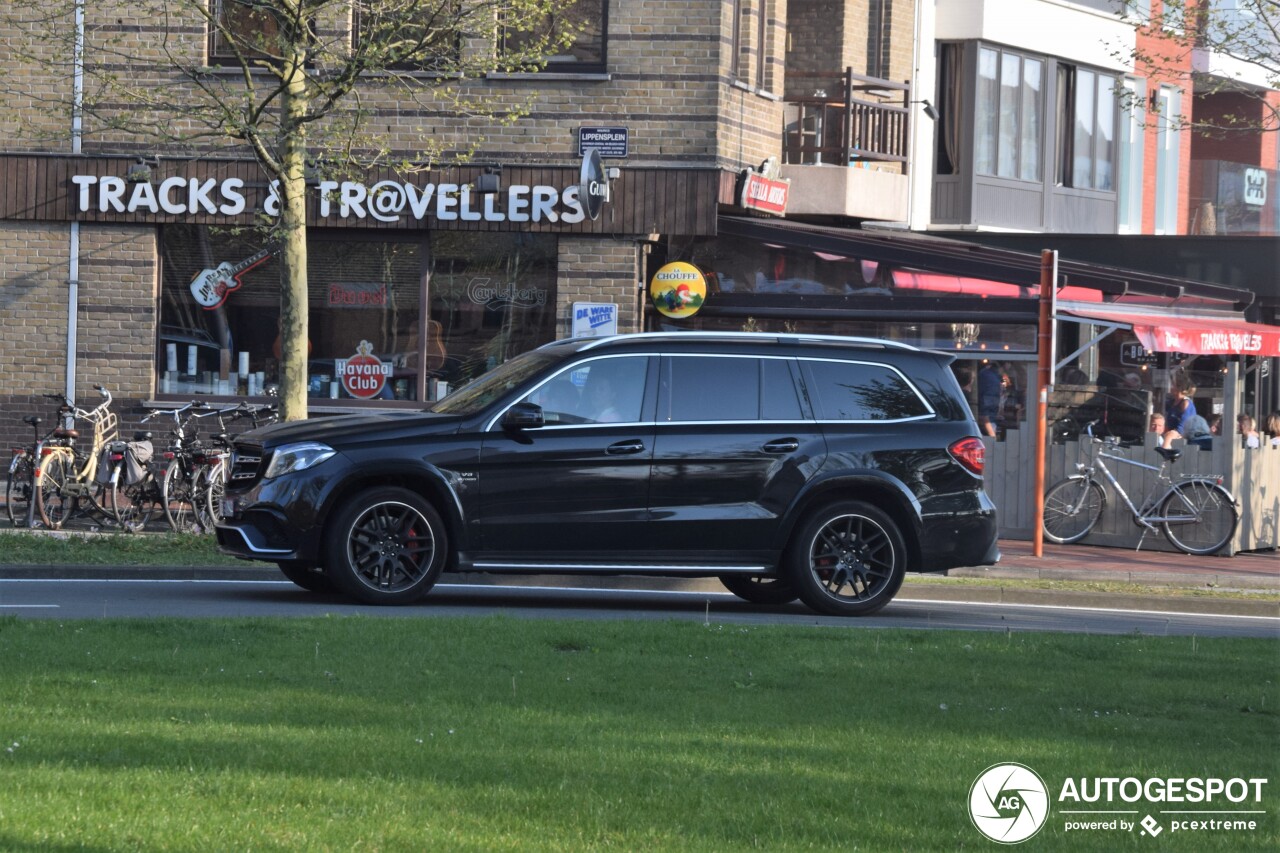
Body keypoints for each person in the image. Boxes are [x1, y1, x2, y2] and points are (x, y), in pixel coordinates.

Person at [1162, 380, 1202, 449]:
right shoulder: (1171, 402)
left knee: (1169, 436)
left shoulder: (1186, 402)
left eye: (1173, 385)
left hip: (1185, 433)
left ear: (1180, 388)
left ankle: (1165, 452)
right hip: (1172, 432)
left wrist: (1175, 432)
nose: (1171, 387)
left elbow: (1185, 423)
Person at [977, 362, 1004, 437]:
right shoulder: (993, 381)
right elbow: (985, 413)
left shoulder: (984, 374)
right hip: (988, 422)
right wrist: (992, 435)